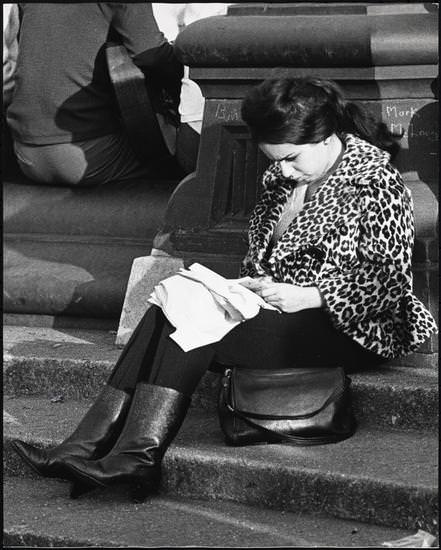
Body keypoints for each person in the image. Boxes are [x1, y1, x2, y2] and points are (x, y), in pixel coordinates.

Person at [11, 77, 437, 500]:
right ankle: (95, 450)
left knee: (190, 316)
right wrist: (254, 283)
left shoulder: (375, 182)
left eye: (291, 158)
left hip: (354, 327)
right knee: (173, 302)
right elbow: (265, 258)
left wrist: (312, 296)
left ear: (326, 136)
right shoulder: (280, 180)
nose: (283, 170)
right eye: (275, 159)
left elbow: (389, 284)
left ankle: (129, 458)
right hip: (283, 315)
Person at [5, 3, 184, 186]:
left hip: (23, 151)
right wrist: (187, 78)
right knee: (185, 160)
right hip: (84, 153)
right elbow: (151, 55)